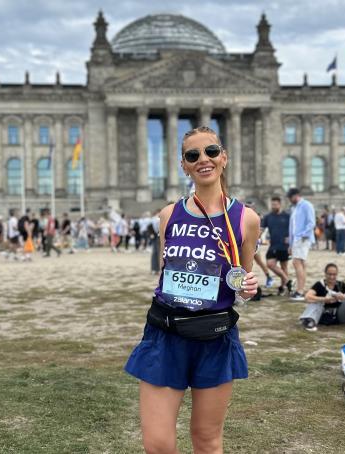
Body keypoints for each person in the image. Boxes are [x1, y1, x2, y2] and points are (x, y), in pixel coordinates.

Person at [124, 125, 259, 453]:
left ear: (223, 158)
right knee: (157, 445)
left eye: (211, 151)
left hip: (214, 337)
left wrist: (250, 287)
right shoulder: (168, 215)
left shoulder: (246, 219)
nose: (204, 159)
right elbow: (165, 272)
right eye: (192, 155)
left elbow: (242, 278)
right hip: (165, 334)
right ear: (183, 165)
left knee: (207, 440)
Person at [299, 263, 345, 332]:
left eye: (334, 274)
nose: (332, 277)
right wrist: (324, 299)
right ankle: (309, 321)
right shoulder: (319, 285)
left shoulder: (341, 285)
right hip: (322, 315)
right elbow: (307, 297)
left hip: (340, 316)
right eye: (329, 274)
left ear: (337, 274)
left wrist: (344, 296)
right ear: (325, 274)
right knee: (315, 301)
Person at [287, 188, 315, 301]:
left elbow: (311, 222)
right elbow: (292, 227)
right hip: (296, 239)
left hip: (302, 238)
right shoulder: (295, 208)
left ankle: (300, 291)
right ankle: (301, 289)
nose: (289, 200)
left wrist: (303, 235)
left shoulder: (306, 205)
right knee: (301, 264)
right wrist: (290, 243)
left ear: (296, 195)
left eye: (290, 197)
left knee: (297, 262)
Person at [261, 196, 292, 295]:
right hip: (273, 245)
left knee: (284, 267)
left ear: (280, 204)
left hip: (284, 246)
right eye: (272, 204)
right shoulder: (268, 217)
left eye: (275, 204)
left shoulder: (287, 216)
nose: (273, 206)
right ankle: (288, 281)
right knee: (270, 264)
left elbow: (293, 230)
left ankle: (283, 287)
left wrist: (291, 240)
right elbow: (261, 229)